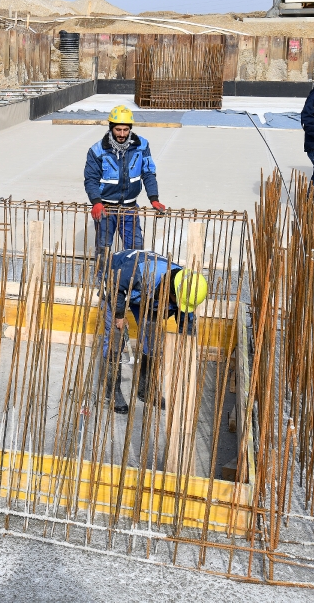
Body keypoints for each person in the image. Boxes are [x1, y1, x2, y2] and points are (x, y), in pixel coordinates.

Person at [103, 248, 208, 412]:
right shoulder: (138, 272)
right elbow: (115, 287)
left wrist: (187, 340)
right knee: (115, 337)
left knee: (152, 337)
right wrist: (119, 315)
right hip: (117, 282)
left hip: (147, 294)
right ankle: (111, 391)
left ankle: (145, 389)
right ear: (172, 290)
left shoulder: (186, 287)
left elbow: (186, 319)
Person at [84, 105, 164, 261]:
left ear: (130, 129)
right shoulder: (97, 150)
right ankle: (103, 282)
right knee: (103, 250)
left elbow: (148, 173)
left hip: (129, 207)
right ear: (111, 128)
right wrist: (96, 202)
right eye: (118, 130)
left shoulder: (142, 146)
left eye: (125, 130)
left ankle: (132, 281)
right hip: (105, 208)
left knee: (135, 250)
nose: (122, 134)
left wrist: (153, 198)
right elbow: (91, 179)